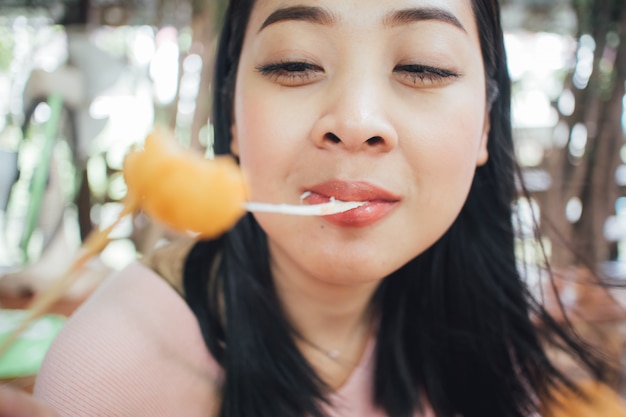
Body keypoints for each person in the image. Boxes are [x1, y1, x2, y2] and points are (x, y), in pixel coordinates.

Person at [31, 0, 613, 416]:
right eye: (294, 64)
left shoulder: (493, 341)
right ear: (231, 112)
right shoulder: (109, 370)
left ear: (486, 124)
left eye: (423, 68)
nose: (356, 121)